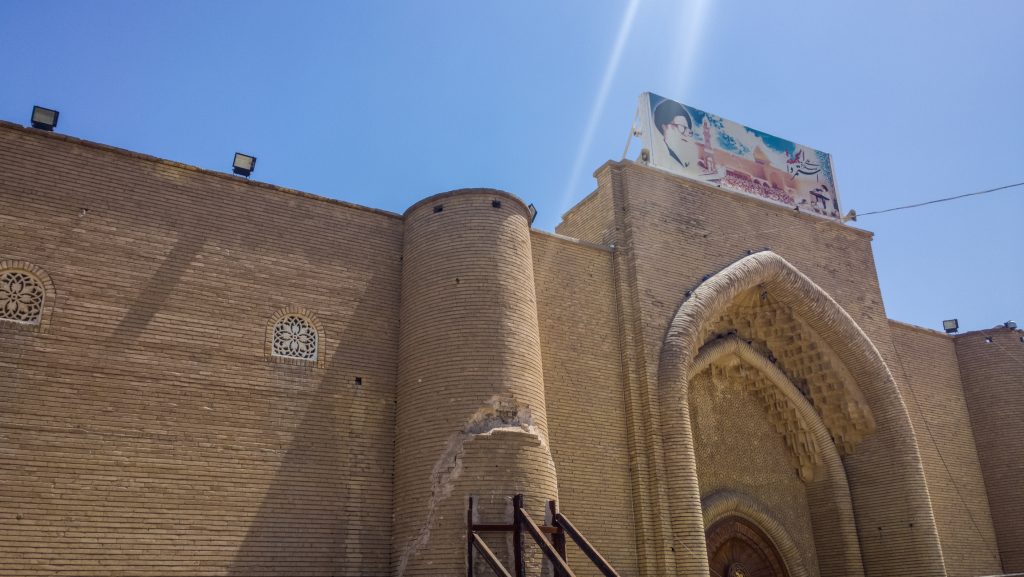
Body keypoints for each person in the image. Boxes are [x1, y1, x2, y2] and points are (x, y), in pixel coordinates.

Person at [654, 99, 702, 171]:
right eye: (682, 127)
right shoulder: (659, 155)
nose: (686, 134)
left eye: (688, 131)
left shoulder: (686, 160)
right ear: (664, 127)